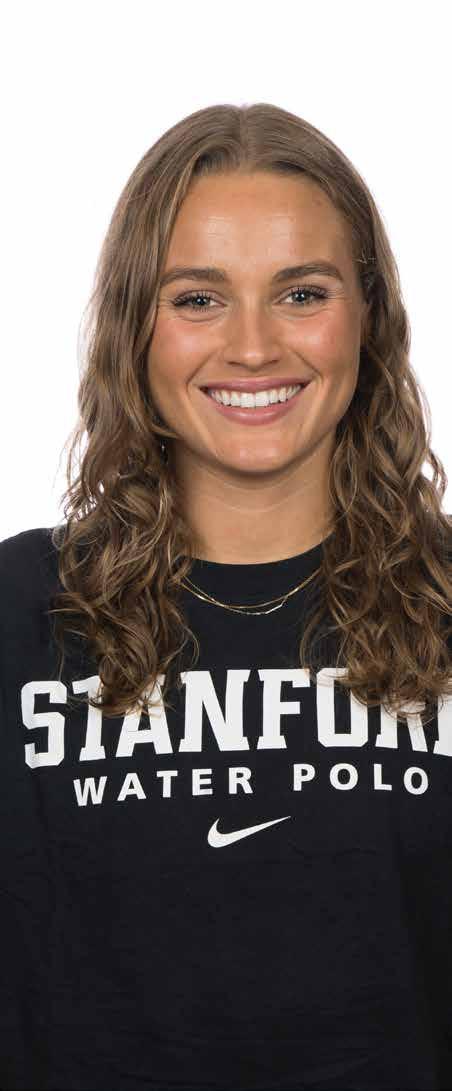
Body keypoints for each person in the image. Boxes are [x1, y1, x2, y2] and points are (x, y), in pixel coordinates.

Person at [1, 102, 452, 1091]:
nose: (252, 347)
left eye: (301, 293)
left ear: (369, 315)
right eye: (198, 298)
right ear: (135, 326)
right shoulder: (15, 615)